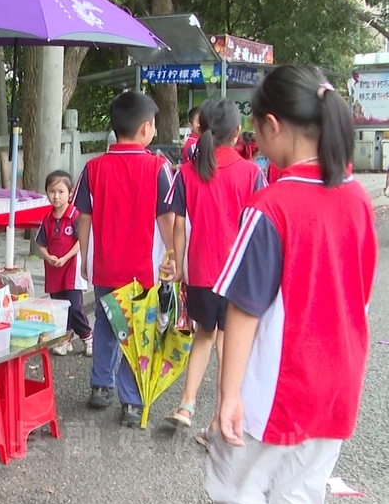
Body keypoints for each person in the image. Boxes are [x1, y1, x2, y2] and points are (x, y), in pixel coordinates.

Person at [206, 66, 376, 504]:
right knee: (301, 495)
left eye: (257, 130)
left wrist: (229, 394)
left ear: (273, 125)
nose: (256, 143)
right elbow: (360, 291)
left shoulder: (271, 207)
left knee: (236, 491)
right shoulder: (357, 197)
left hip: (280, 383)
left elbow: (244, 309)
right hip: (339, 377)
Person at [160, 99, 265, 432]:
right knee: (228, 345)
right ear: (237, 134)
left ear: (200, 130)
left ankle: (186, 405)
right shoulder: (252, 173)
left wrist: (176, 261)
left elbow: (177, 223)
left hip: (201, 273)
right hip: (237, 275)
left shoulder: (187, 173)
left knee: (204, 336)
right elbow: (260, 226)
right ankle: (221, 415)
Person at [74, 91, 173, 428]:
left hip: (105, 266)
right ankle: (131, 402)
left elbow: (83, 217)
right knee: (138, 333)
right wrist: (174, 260)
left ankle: (101, 385)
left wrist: (86, 258)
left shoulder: (93, 168)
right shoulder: (158, 168)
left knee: (105, 323)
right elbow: (167, 220)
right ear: (145, 128)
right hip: (143, 271)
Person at [35, 170, 91, 357]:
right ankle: (65, 340)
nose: (56, 196)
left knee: (74, 306)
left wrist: (66, 257)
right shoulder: (47, 219)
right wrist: (48, 257)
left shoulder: (76, 215)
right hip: (53, 269)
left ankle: (87, 337)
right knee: (59, 307)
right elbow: (40, 243)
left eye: (61, 192)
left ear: (70, 192)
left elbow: (81, 241)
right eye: (52, 191)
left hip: (72, 268)